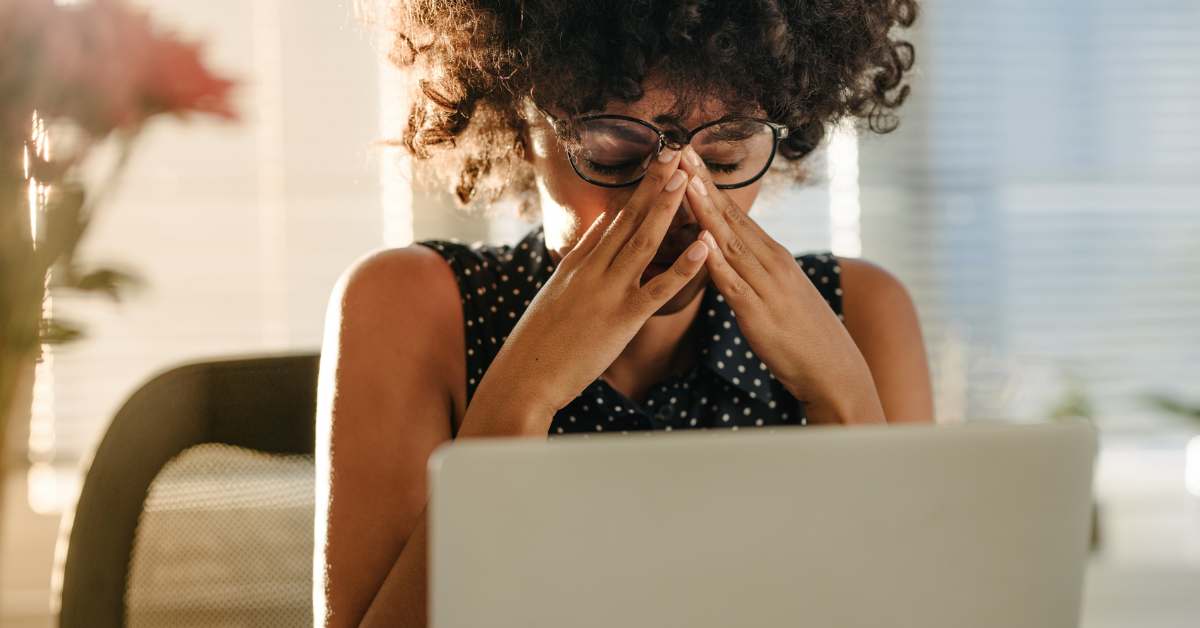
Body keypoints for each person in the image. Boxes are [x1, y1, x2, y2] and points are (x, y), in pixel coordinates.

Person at [315, 1, 932, 626]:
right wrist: (523, 394)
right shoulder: (412, 304)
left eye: (725, 158)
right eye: (611, 152)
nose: (679, 199)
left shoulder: (861, 311)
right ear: (517, 127)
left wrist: (844, 396)